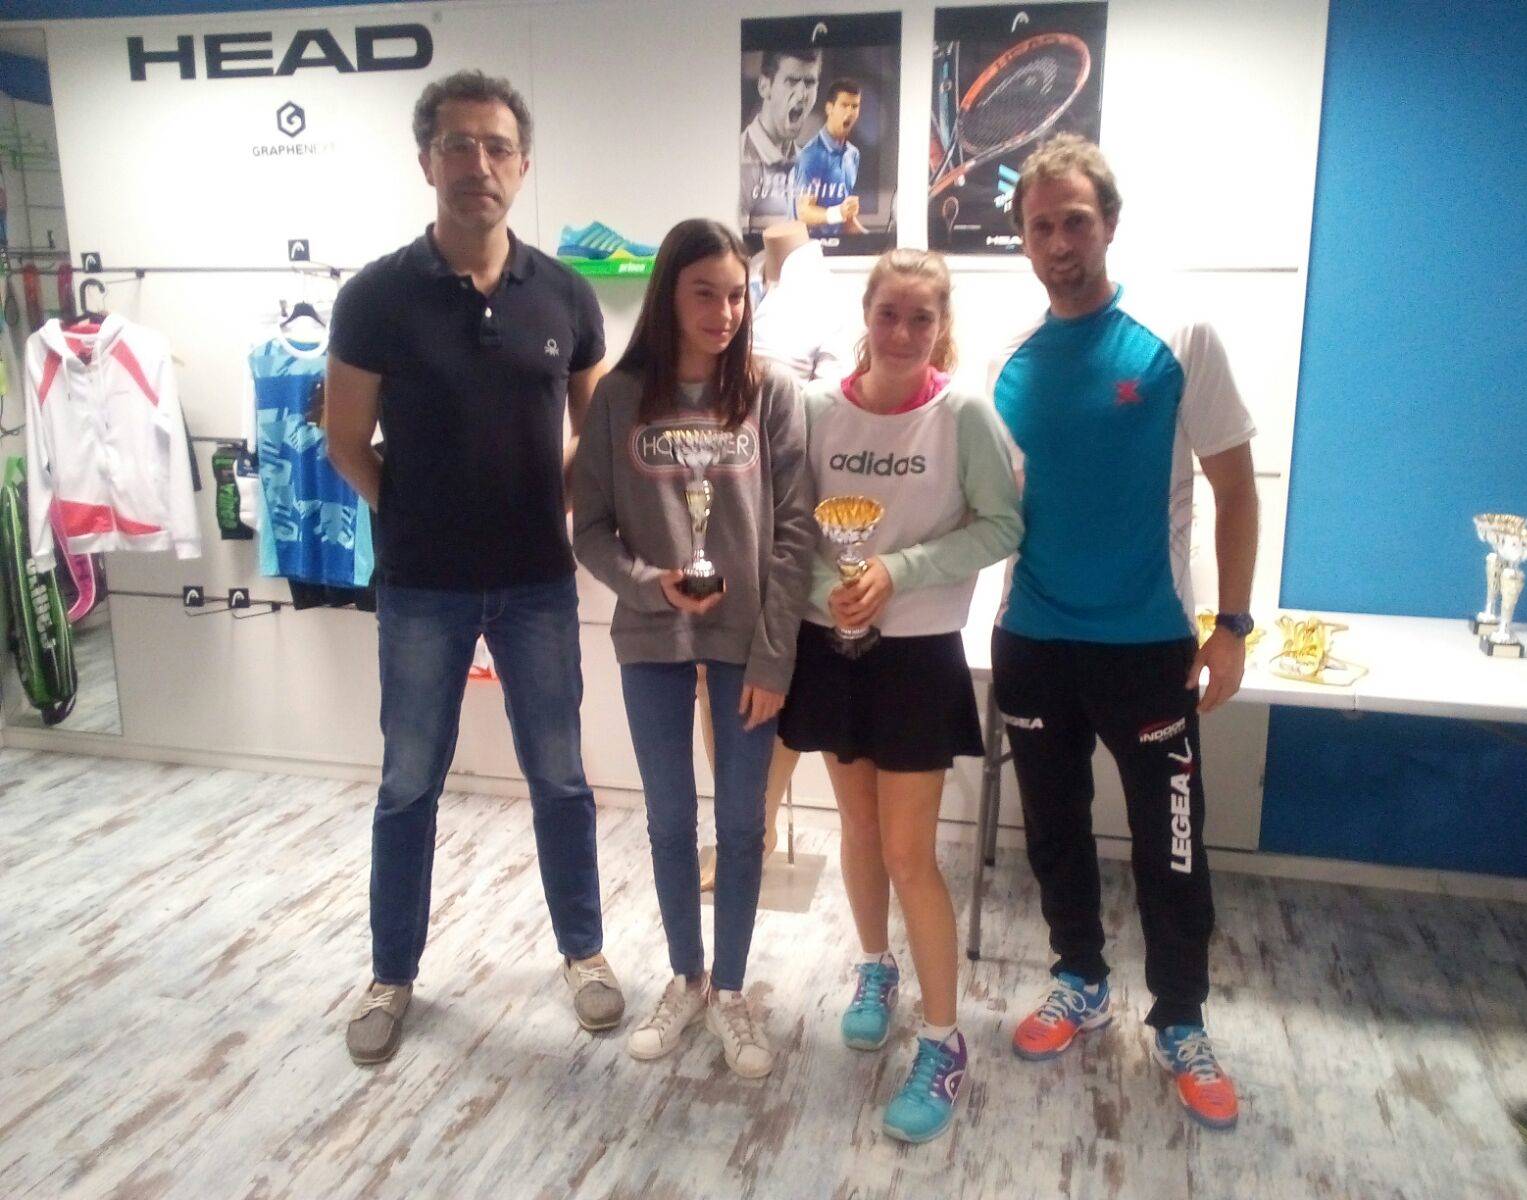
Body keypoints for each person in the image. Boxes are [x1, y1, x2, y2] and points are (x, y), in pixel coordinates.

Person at [325, 69, 621, 1066]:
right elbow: (345, 442)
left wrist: (545, 505)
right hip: (421, 587)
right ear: (427, 161)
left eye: (497, 147)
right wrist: (413, 514)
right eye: (457, 144)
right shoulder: (375, 297)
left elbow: (596, 437)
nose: (477, 164)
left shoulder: (566, 294)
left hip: (538, 582)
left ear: (522, 165)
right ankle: (391, 975)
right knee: (409, 783)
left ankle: (583, 953)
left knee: (561, 777)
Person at [989, 133, 1260, 1130]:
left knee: (1170, 847)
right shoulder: (1006, 360)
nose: (1059, 242)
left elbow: (1236, 491)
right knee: (1052, 831)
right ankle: (1080, 979)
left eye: (1075, 221)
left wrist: (1231, 626)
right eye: (1040, 226)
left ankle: (1180, 1019)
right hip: (1032, 640)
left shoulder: (1177, 336)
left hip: (1148, 648)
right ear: (1022, 238)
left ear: (1108, 223)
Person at [781, 248, 1020, 1141]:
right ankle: (876, 967)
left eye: (922, 318)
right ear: (866, 316)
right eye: (889, 314)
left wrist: (899, 571)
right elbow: (789, 530)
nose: (904, 332)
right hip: (832, 646)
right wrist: (828, 589)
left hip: (919, 658)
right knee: (859, 830)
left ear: (941, 325)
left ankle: (945, 1041)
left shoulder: (964, 415)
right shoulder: (815, 410)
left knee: (910, 854)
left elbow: (1003, 525)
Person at [571, 218, 813, 1080]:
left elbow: (795, 535)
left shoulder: (771, 393)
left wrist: (776, 658)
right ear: (668, 294)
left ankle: (733, 990)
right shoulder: (618, 397)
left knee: (743, 823)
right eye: (704, 293)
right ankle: (686, 978)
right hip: (652, 637)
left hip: (749, 642)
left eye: (736, 295)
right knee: (671, 820)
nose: (723, 312)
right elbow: (590, 530)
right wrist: (650, 583)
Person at [739, 49, 822, 234]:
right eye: (791, 81)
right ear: (764, 87)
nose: (802, 94)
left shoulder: (808, 164)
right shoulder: (739, 161)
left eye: (809, 83)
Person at [795, 79, 866, 238]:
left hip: (840, 247)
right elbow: (804, 213)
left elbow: (846, 220)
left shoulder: (853, 155)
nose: (850, 112)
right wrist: (838, 213)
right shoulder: (811, 155)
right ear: (829, 108)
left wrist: (876, 243)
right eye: (844, 105)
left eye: (855, 106)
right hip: (809, 246)